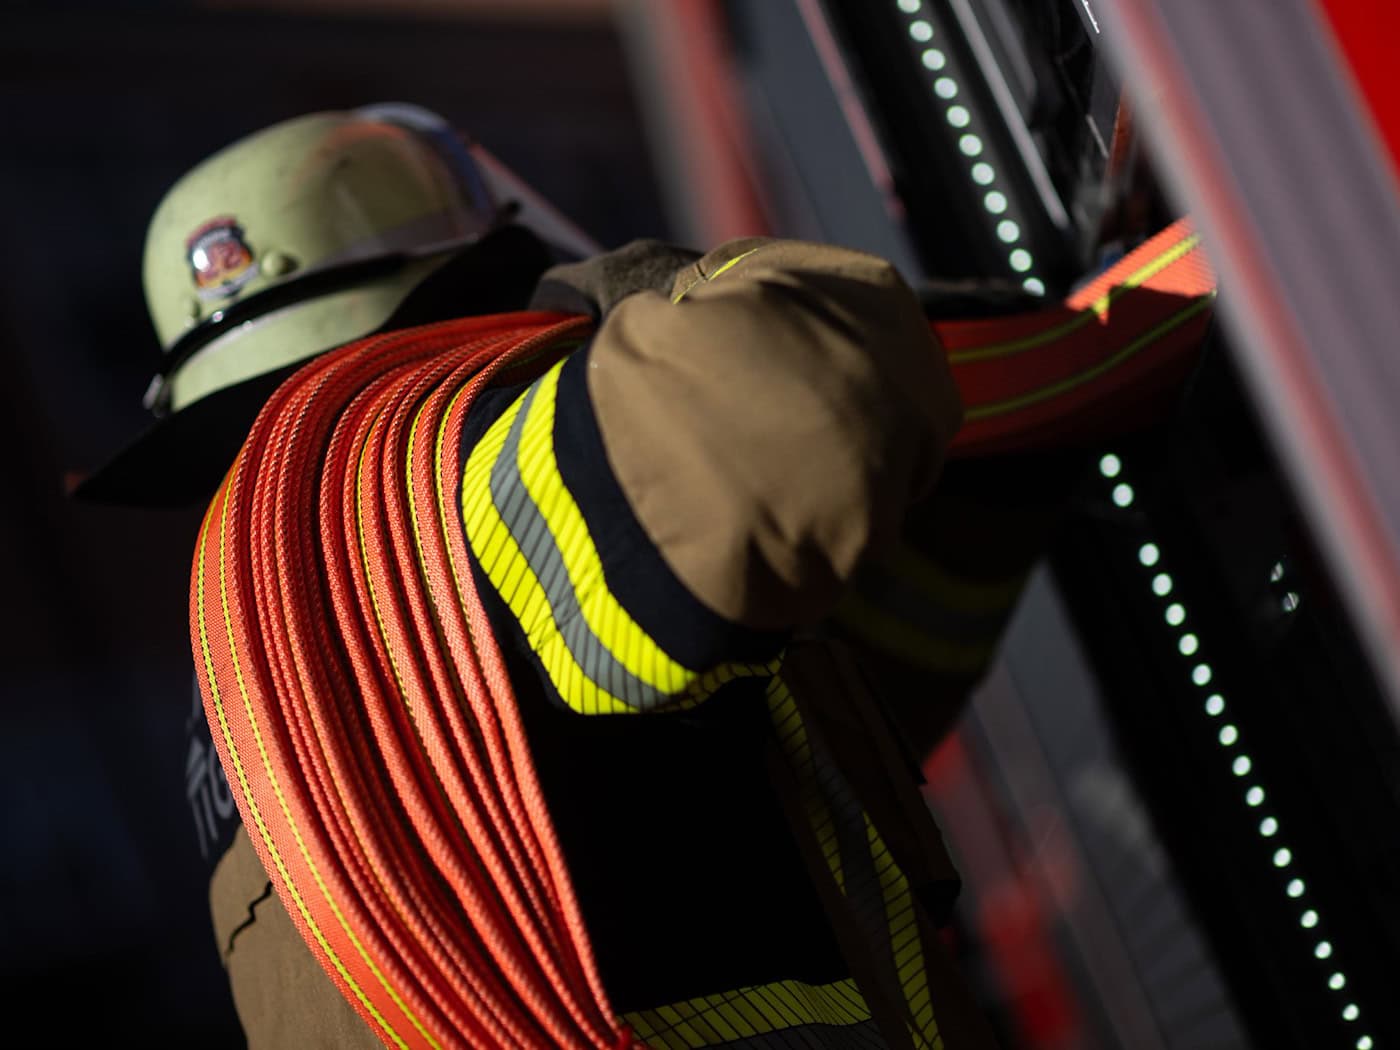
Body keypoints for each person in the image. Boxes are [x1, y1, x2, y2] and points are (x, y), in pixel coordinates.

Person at [80, 103, 1215, 1050]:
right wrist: (645, 300)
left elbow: (766, 740)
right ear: (473, 275)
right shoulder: (462, 492)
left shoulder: (252, 702)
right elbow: (806, 396)